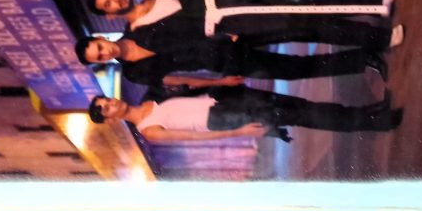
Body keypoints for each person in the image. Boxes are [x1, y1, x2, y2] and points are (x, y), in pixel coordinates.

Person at [87, 0, 405, 53]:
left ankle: (377, 1)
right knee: (307, 24)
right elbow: (185, 45)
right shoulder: (142, 35)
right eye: (109, 3)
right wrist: (224, 38)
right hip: (232, 23)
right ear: (110, 16)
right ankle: (381, 38)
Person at [87, 87, 403, 143]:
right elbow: (193, 138)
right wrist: (238, 133)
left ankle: (369, 112)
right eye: (106, 108)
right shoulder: (148, 129)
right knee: (301, 115)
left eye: (106, 100)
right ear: (111, 120)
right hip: (224, 120)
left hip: (224, 102)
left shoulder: (149, 100)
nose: (111, 103)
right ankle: (377, 123)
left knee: (300, 107)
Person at [75, 33, 389, 87]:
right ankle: (365, 59)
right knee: (295, 68)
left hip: (227, 35)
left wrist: (222, 30)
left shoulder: (137, 27)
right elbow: (175, 79)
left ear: (100, 39)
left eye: (99, 47)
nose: (105, 52)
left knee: (297, 29)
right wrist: (219, 81)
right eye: (99, 57)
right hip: (222, 63)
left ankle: (369, 38)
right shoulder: (133, 73)